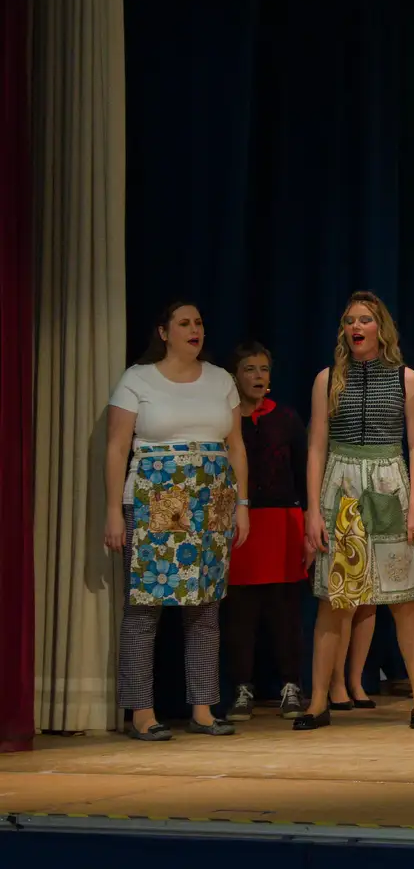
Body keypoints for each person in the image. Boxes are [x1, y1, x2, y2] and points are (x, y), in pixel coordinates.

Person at [104, 301, 250, 740]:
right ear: (164, 332)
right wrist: (113, 511)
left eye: (199, 322)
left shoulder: (221, 380)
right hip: (155, 498)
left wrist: (242, 504)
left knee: (204, 607)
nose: (194, 329)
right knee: (144, 608)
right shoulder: (138, 379)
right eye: (184, 323)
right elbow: (117, 447)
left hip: (211, 501)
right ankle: (141, 713)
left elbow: (236, 446)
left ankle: (203, 709)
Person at [298, 291, 414, 730]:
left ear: (381, 328)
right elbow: (316, 446)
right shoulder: (327, 379)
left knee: (403, 599)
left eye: (365, 319)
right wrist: (313, 510)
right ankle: (318, 701)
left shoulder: (405, 379)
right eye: (350, 320)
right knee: (333, 599)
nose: (356, 327)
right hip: (341, 487)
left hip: (388, 483)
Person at [223, 341, 308, 722]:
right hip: (241, 523)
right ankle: (242, 688)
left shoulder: (286, 418)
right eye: (249, 369)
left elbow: (302, 473)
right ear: (235, 376)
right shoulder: (225, 421)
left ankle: (291, 685)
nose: (258, 376)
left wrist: (307, 526)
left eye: (263, 369)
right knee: (240, 612)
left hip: (282, 522)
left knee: (285, 609)